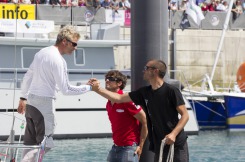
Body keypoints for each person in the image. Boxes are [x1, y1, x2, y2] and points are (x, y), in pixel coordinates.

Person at [17, 25, 94, 162]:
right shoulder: (59, 60)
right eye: (74, 44)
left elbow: (28, 76)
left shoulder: (41, 53)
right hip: (44, 104)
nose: (75, 47)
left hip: (31, 102)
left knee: (30, 144)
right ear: (65, 41)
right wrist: (89, 88)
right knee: (45, 143)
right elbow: (66, 89)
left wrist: (23, 97)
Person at [91, 60, 189, 162]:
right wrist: (97, 89)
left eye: (146, 68)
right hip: (159, 144)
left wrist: (173, 134)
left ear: (155, 71)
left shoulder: (171, 91)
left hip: (176, 144)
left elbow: (185, 115)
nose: (143, 71)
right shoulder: (144, 92)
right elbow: (118, 98)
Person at [104, 70, 148, 162]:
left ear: (119, 83)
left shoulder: (127, 100)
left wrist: (141, 146)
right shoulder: (108, 103)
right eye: (106, 79)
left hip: (129, 148)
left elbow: (144, 121)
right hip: (115, 147)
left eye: (111, 79)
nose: (107, 81)